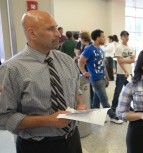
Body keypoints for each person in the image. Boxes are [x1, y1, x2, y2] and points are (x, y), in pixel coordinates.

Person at [0, 10, 87, 153]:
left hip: (72, 140)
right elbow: (3, 118)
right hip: (37, 146)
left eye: (56, 28)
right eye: (50, 29)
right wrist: (49, 120)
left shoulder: (66, 60)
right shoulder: (11, 69)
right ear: (32, 33)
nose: (58, 34)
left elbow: (75, 88)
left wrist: (80, 104)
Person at [78, 29, 123, 124]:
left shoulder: (100, 50)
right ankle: (113, 116)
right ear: (98, 38)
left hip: (102, 77)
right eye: (103, 37)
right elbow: (81, 62)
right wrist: (84, 72)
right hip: (95, 78)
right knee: (104, 98)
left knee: (96, 98)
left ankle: (95, 116)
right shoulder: (89, 49)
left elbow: (103, 65)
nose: (104, 39)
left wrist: (106, 77)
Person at [111, 30, 135, 112]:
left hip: (130, 74)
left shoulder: (131, 48)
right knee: (117, 91)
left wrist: (124, 60)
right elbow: (120, 62)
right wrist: (125, 71)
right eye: (124, 36)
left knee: (131, 92)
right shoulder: (119, 48)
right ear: (121, 37)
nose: (126, 38)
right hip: (121, 73)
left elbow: (133, 60)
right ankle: (113, 108)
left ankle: (128, 106)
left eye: (127, 36)